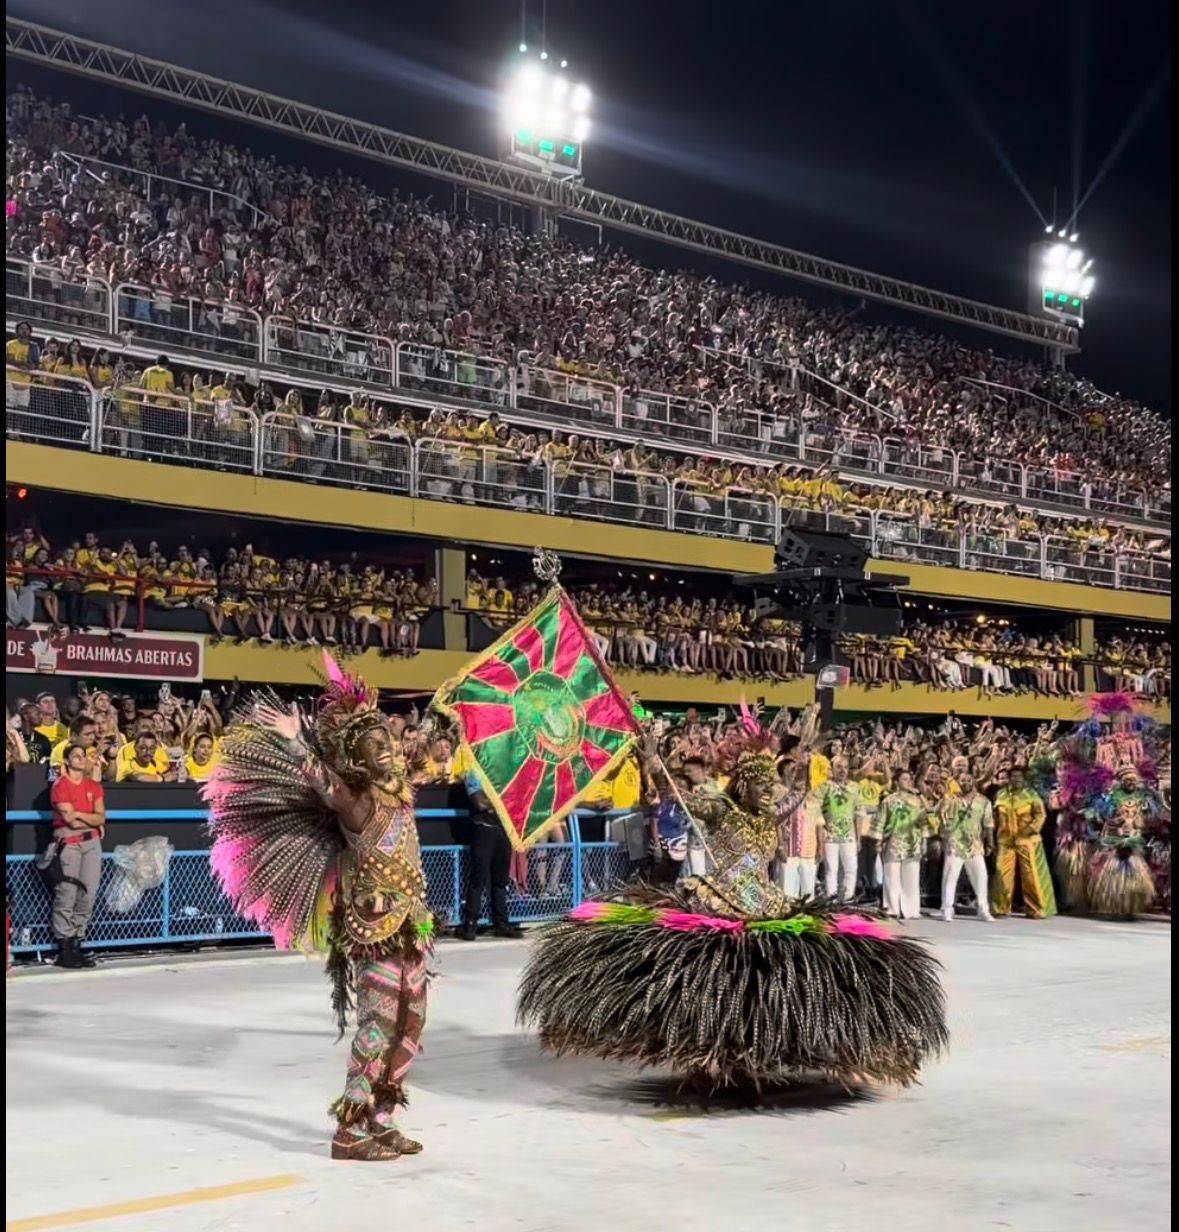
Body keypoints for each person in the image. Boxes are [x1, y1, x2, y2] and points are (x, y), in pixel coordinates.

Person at [520, 715, 947, 1094]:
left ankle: (769, 1046)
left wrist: (803, 759)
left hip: (766, 900)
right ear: (743, 784)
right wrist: (651, 760)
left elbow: (797, 794)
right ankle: (709, 1050)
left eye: (770, 786)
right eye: (761, 785)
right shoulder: (722, 809)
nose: (768, 792)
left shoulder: (768, 815)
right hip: (721, 897)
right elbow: (677, 793)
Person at [205, 659, 432, 1161]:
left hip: (414, 924)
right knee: (377, 1026)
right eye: (378, 747)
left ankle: (383, 1118)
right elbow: (323, 781)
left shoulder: (401, 795)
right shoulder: (357, 802)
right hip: (374, 929)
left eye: (391, 744)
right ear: (358, 759)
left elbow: (427, 741)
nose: (391, 753)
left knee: (411, 1026)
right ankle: (349, 1132)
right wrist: (294, 737)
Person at [49, 743, 106, 969]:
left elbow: (100, 817)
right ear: (67, 760)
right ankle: (65, 946)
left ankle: (77, 941)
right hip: (68, 842)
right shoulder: (60, 786)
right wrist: (88, 817)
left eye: (83, 756)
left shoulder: (94, 785)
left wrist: (81, 814)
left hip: (91, 843)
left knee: (88, 894)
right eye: (76, 756)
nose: (81, 759)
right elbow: (69, 820)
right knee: (67, 894)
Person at [459, 771, 525, 941]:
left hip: (503, 830)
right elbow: (479, 803)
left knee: (500, 880)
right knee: (478, 878)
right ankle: (470, 922)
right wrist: (502, 801)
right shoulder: (473, 772)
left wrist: (498, 802)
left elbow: (518, 799)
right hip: (483, 829)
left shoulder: (504, 770)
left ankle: (501, 922)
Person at [991, 766, 1056, 919]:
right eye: (1013, 776)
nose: (1016, 779)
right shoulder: (1001, 795)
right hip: (1005, 840)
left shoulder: (1032, 795)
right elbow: (995, 816)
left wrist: (1031, 829)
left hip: (1027, 840)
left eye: (1019, 776)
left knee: (1031, 876)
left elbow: (1040, 815)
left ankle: (1036, 909)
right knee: (1002, 875)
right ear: (1009, 778)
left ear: (1024, 778)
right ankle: (1000, 907)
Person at [938, 768, 995, 922]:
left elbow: (988, 824)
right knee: (950, 877)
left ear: (973, 781)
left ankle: (983, 909)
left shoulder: (984, 801)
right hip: (955, 843)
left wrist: (990, 842)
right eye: (962, 780)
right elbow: (942, 820)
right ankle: (947, 909)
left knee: (981, 876)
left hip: (975, 844)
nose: (965, 783)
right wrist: (945, 839)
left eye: (968, 780)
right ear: (958, 782)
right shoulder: (950, 799)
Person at [880, 771, 927, 920]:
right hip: (892, 840)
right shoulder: (888, 800)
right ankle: (891, 908)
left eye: (909, 779)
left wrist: (924, 840)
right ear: (897, 781)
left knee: (912, 876)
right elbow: (881, 821)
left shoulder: (917, 800)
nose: (907, 782)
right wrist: (878, 840)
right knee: (891, 875)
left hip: (912, 840)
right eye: (904, 779)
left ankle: (912, 910)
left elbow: (923, 821)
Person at [818, 758, 860, 901]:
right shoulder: (825, 786)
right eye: (839, 767)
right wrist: (823, 826)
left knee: (851, 868)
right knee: (831, 870)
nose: (842, 771)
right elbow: (816, 808)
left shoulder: (854, 788)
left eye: (845, 767)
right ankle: (831, 898)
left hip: (849, 835)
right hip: (830, 835)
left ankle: (848, 897)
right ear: (832, 769)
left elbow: (859, 814)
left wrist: (858, 837)